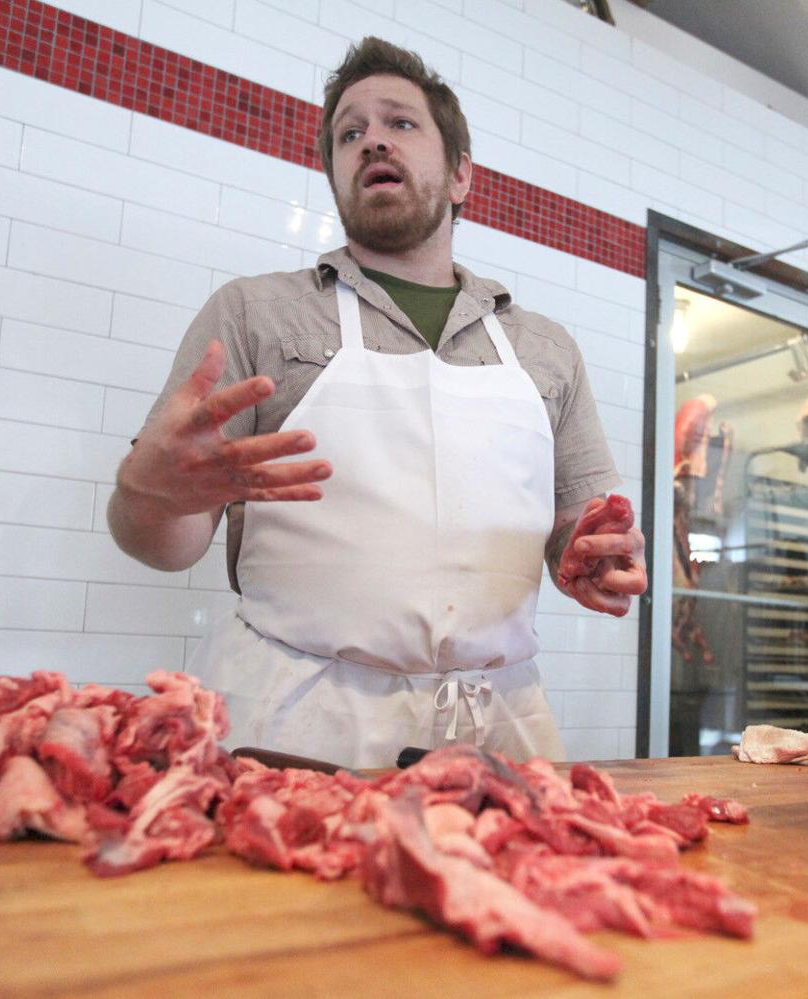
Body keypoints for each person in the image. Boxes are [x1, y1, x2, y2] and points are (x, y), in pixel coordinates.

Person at [107, 37, 647, 768]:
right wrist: (145, 493)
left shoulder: (545, 349)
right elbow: (165, 539)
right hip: (292, 732)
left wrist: (597, 558)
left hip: (502, 734)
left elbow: (575, 532)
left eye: (400, 123)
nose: (371, 143)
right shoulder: (258, 313)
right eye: (349, 134)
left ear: (460, 174)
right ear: (333, 174)